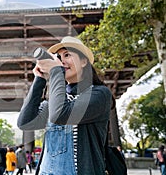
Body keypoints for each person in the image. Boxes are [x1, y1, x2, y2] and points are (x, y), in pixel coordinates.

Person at [17, 36, 113, 175]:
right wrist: (40, 80)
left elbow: (61, 114)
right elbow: (25, 123)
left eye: (67, 55)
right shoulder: (55, 101)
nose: (61, 61)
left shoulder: (99, 94)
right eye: (58, 57)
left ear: (84, 61)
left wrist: (56, 71)